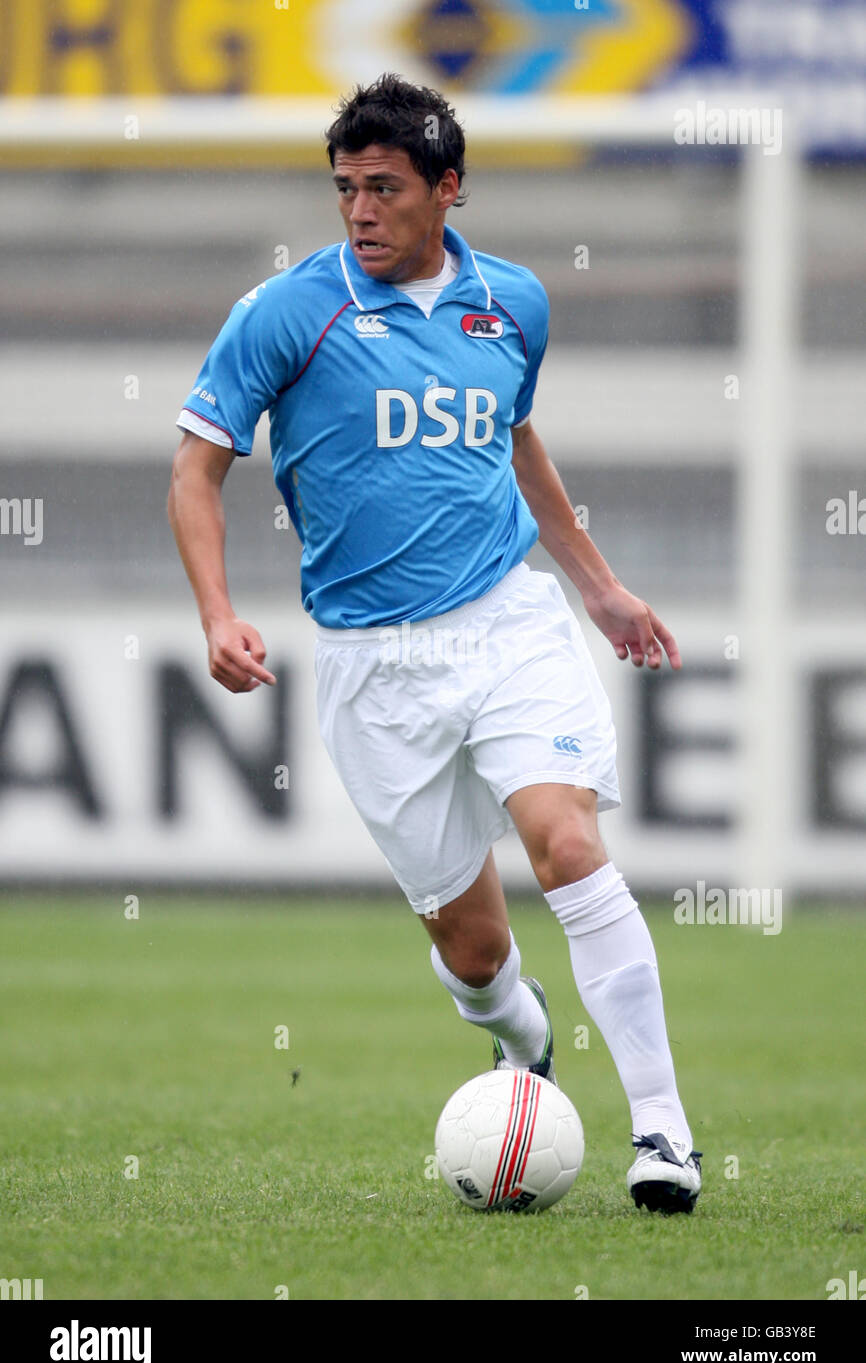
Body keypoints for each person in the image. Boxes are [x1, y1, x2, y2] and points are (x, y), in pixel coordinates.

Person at [168, 73, 701, 1214]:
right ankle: (524, 1039)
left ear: (446, 190)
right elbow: (196, 467)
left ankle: (662, 1134)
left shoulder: (511, 302)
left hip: (507, 623)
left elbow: (515, 445)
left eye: (383, 189)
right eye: (344, 189)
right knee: (471, 950)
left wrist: (595, 589)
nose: (358, 212)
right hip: (371, 668)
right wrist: (216, 612)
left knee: (565, 847)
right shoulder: (285, 312)